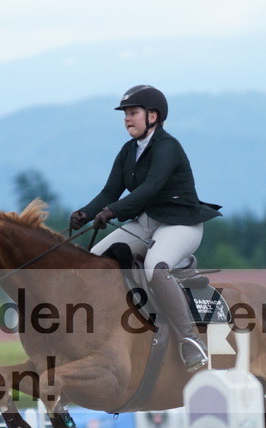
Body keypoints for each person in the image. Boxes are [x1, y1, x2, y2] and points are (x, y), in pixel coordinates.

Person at [70, 85, 221, 372]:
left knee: (154, 267)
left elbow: (150, 188)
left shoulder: (168, 147)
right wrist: (85, 213)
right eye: (125, 114)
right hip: (148, 223)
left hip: (181, 223)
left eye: (133, 113)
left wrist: (113, 212)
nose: (127, 119)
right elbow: (109, 191)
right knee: (96, 261)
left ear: (153, 116)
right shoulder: (128, 151)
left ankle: (190, 340)